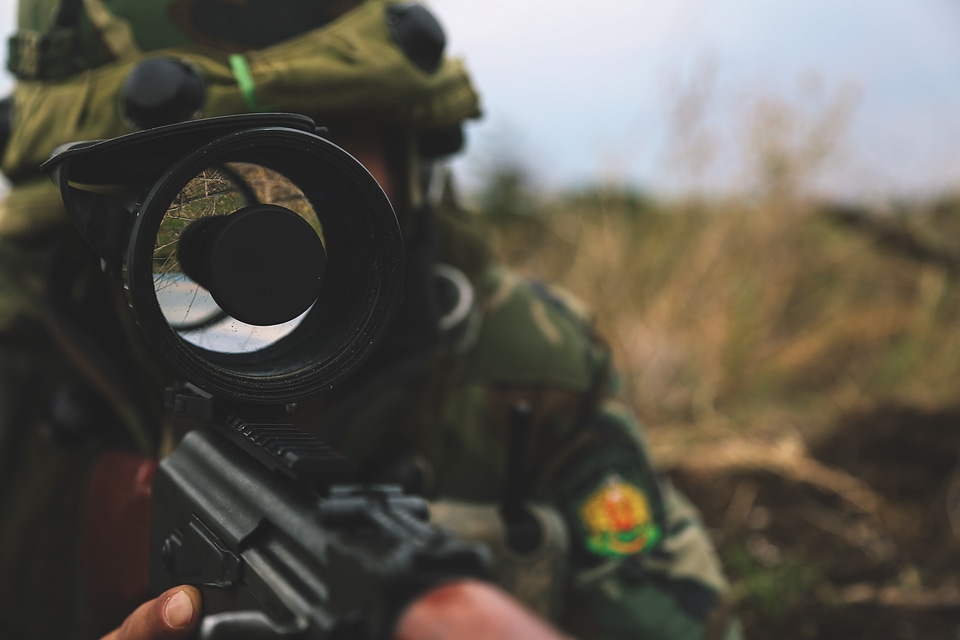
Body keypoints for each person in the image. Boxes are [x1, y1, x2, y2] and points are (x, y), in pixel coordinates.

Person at [0, 1, 737, 639]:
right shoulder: (21, 349)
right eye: (210, 161)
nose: (267, 218)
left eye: (326, 142)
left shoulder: (528, 362)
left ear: (407, 151)